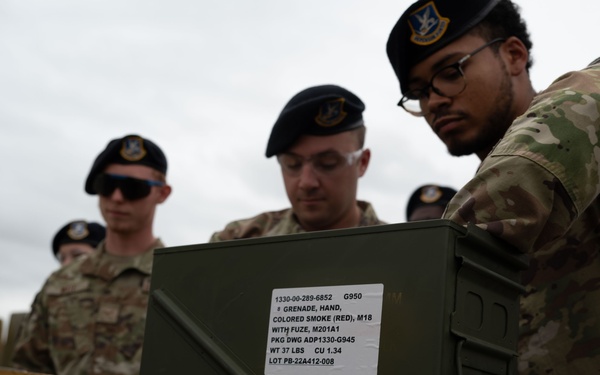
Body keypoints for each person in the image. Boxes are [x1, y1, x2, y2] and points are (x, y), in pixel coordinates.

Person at [387, 0, 600, 373]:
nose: (435, 100)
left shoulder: (583, 113)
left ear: (514, 55)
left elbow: (589, 97)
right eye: (420, 91)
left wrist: (443, 259)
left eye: (451, 72)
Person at [12, 134, 172, 375]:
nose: (117, 197)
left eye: (133, 188)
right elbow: (28, 368)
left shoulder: (178, 282)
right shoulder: (60, 283)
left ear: (162, 194)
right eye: (107, 185)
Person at [210, 84, 384, 241]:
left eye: (327, 163)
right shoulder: (235, 242)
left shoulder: (403, 250)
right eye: (292, 164)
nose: (307, 183)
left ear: (362, 163)